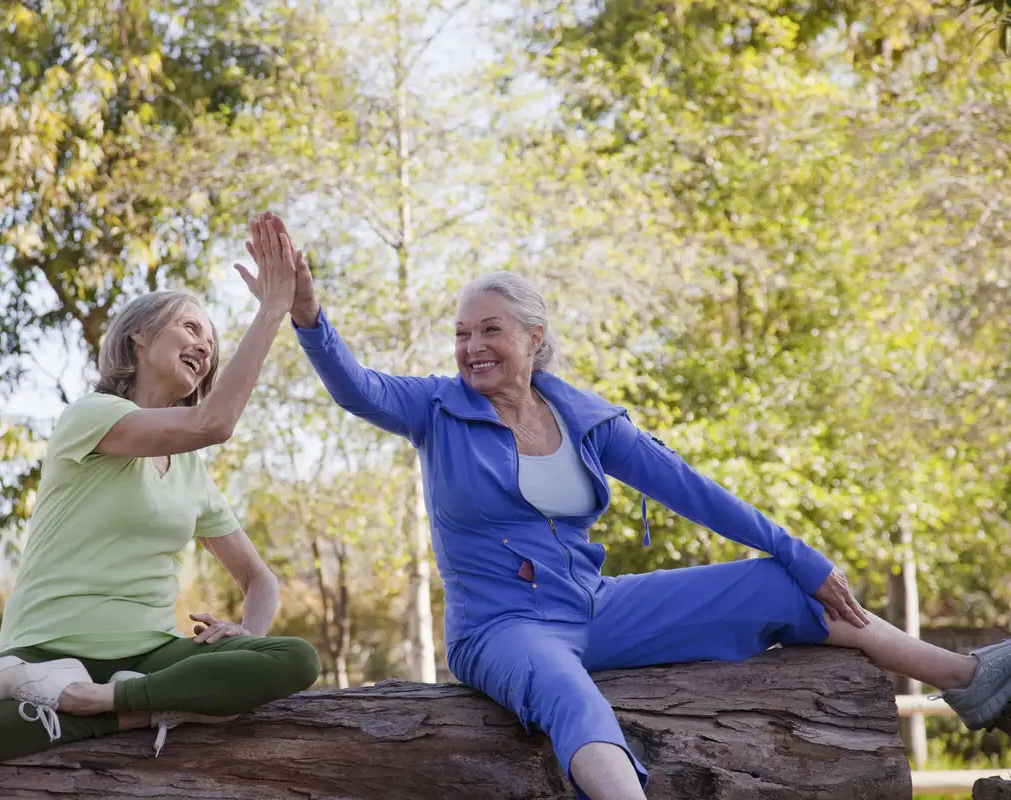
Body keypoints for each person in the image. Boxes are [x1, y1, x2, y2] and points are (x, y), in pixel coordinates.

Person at [267, 208, 1011, 800]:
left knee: (777, 584)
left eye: (489, 329)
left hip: (592, 606)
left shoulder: (585, 420)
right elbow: (355, 387)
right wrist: (309, 317)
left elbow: (695, 491)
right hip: (500, 629)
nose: (471, 347)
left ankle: (966, 680)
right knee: (569, 694)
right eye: (461, 333)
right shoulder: (433, 407)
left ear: (534, 337)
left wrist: (801, 553)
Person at [0, 215, 320, 766]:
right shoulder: (93, 417)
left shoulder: (191, 469)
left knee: (295, 658)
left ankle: (112, 703)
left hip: (147, 656)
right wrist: (271, 309)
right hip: (41, 654)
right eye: (190, 328)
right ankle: (125, 712)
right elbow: (216, 423)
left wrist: (244, 631)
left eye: (211, 342)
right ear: (138, 336)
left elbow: (259, 579)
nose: (205, 346)